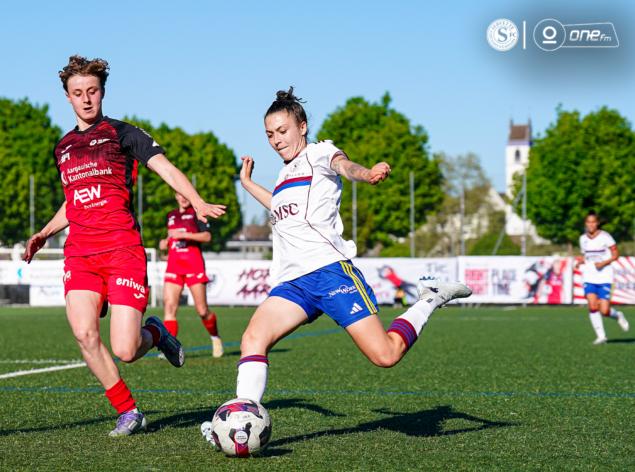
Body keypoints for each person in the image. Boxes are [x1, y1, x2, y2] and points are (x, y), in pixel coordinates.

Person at [203, 88, 471, 443]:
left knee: (386, 355)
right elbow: (278, 205)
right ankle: (241, 420)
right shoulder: (284, 176)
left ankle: (430, 298)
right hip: (293, 283)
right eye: (269, 134)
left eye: (282, 131)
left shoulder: (319, 152)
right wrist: (249, 184)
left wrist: (366, 173)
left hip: (330, 272)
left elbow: (344, 166)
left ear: (301, 127)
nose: (276, 140)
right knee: (254, 337)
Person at [24, 56, 226, 437]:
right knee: (84, 334)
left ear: (102, 91)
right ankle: (128, 411)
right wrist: (46, 231)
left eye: (92, 91)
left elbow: (164, 167)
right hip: (80, 251)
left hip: (121, 250)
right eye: (77, 93)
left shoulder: (123, 133)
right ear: (67, 97)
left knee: (126, 350)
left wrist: (196, 200)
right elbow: (74, 200)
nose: (86, 99)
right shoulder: (63, 147)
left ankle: (157, 333)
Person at [158, 192, 224, 358]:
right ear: (175, 195)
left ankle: (215, 338)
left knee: (202, 310)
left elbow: (207, 236)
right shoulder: (171, 215)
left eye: (185, 193)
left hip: (193, 265)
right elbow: (171, 235)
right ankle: (170, 347)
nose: (183, 197)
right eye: (180, 194)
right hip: (174, 265)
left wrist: (184, 235)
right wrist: (165, 241)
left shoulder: (197, 212)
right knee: (170, 307)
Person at [575, 213, 629, 344]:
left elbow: (616, 254)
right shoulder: (583, 238)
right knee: (593, 306)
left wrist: (603, 263)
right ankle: (601, 336)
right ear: (585, 224)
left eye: (594, 222)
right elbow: (586, 254)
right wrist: (580, 262)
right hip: (589, 277)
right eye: (588, 222)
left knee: (604, 310)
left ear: (598, 223)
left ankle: (617, 315)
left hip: (605, 277)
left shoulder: (606, 237)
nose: (591, 224)